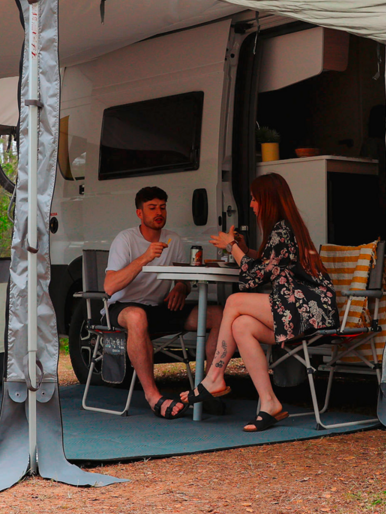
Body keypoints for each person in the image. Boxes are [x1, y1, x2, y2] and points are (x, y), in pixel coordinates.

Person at [182, 173, 337, 431]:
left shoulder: (282, 230)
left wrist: (231, 245)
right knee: (241, 325)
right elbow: (269, 265)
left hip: (309, 310)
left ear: (267, 200)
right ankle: (269, 403)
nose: (251, 205)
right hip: (299, 308)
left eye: (254, 199)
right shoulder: (285, 228)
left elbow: (254, 278)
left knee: (234, 301)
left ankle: (214, 377)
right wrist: (246, 250)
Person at [102, 185, 221, 418]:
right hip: (123, 308)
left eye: (163, 207)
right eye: (152, 208)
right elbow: (109, 286)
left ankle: (208, 386)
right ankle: (152, 395)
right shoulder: (125, 239)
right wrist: (145, 257)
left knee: (219, 314)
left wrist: (180, 287)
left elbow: (182, 280)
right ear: (140, 213)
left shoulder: (173, 239)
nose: (159, 212)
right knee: (137, 316)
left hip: (159, 308)